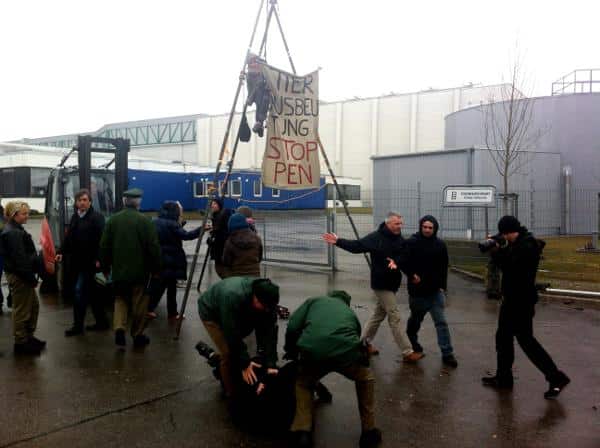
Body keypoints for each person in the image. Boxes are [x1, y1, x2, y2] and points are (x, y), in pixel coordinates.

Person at [482, 216, 570, 399]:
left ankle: (556, 377)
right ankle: (504, 377)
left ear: (511, 231)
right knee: (503, 338)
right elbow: (508, 261)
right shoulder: (516, 244)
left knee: (526, 341)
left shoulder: (527, 247)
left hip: (521, 302)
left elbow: (510, 267)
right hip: (511, 300)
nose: (504, 237)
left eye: (505, 234)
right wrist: (499, 246)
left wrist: (497, 251)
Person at [285, 290, 382, 448]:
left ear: (330, 297)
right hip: (346, 355)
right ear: (346, 302)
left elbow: (293, 325)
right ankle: (369, 433)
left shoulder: (314, 301)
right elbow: (356, 338)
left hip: (313, 353)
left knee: (303, 383)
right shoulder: (349, 312)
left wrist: (291, 350)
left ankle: (302, 433)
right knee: (365, 378)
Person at [322, 212, 423, 362]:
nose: (400, 226)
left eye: (401, 223)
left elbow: (403, 259)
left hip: (392, 283)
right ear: (388, 224)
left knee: (378, 315)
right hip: (381, 284)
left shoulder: (399, 239)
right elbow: (357, 246)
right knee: (394, 315)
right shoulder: (376, 238)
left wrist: (410, 273)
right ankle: (407, 351)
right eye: (397, 224)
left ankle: (362, 344)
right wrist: (338, 241)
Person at [197, 277, 279, 399]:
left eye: (269, 307)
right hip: (211, 312)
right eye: (264, 306)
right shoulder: (232, 295)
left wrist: (271, 363)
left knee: (238, 353)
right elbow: (231, 333)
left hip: (236, 311)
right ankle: (231, 392)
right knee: (228, 353)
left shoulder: (267, 302)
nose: (267, 309)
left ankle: (215, 359)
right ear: (255, 297)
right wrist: (245, 364)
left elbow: (269, 333)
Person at [99, 188, 161, 348]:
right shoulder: (145, 221)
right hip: (140, 272)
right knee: (139, 303)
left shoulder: (112, 220)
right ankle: (137, 335)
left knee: (120, 300)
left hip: (119, 271)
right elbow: (153, 247)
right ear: (139, 202)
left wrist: (105, 267)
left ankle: (119, 328)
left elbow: (104, 246)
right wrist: (156, 268)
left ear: (124, 201)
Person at [402, 215, 457, 368]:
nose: (427, 230)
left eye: (430, 228)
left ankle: (447, 353)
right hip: (418, 293)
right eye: (425, 227)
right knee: (415, 320)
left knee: (441, 322)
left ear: (435, 229)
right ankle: (411, 340)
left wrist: (442, 287)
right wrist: (412, 275)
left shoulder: (440, 245)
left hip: (435, 293)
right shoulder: (412, 242)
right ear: (421, 227)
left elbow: (443, 266)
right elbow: (404, 262)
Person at [56, 189, 109, 336]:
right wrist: (60, 252)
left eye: (85, 200)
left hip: (91, 264)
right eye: (79, 200)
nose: (82, 203)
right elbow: (68, 238)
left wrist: (100, 259)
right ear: (76, 203)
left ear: (90, 202)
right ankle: (102, 322)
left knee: (79, 292)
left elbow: (103, 241)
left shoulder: (97, 218)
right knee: (93, 293)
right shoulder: (75, 217)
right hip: (77, 263)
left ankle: (77, 327)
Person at [0, 201, 45, 355]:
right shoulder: (13, 232)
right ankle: (21, 343)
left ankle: (28, 337)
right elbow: (20, 260)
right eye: (24, 213)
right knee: (22, 310)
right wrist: (31, 279)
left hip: (22, 275)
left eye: (27, 212)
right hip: (20, 277)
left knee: (33, 306)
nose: (27, 216)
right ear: (14, 215)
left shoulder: (15, 229)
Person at [147, 201, 201, 319]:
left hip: (159, 257)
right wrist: (200, 230)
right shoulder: (172, 224)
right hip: (171, 259)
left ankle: (169, 311)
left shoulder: (155, 222)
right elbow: (186, 236)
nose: (181, 212)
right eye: (180, 210)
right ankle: (157, 310)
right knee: (167, 287)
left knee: (161, 285)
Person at [222, 213, 263, 278]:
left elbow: (226, 262)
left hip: (237, 277)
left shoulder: (230, 241)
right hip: (255, 276)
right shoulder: (257, 238)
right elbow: (260, 258)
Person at [208, 198, 233, 279]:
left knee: (222, 269)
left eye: (215, 203)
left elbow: (224, 230)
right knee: (219, 269)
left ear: (219, 205)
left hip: (222, 247)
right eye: (212, 203)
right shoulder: (215, 215)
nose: (212, 205)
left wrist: (215, 232)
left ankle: (228, 284)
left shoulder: (224, 214)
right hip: (217, 247)